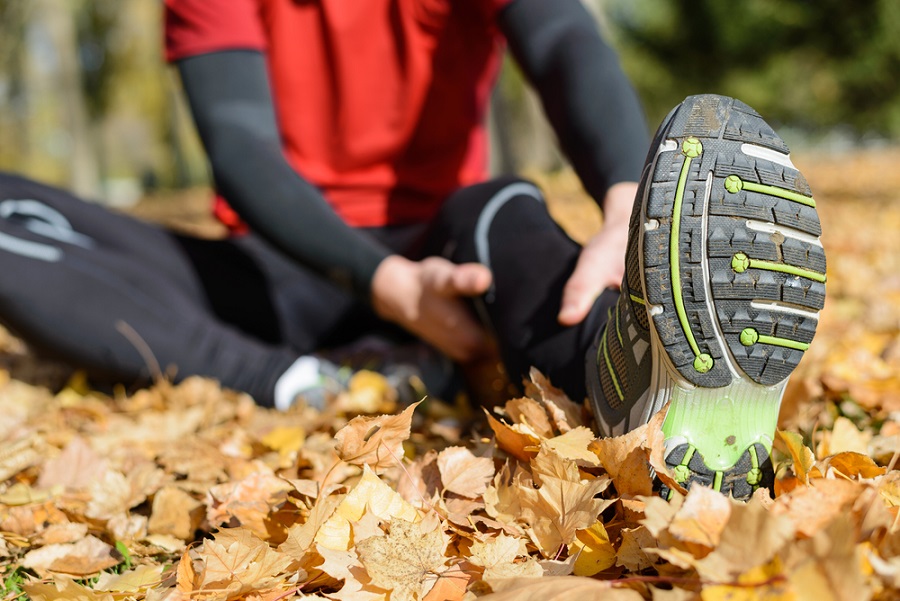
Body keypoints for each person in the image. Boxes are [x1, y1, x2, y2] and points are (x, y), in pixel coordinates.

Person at [0, 0, 825, 499]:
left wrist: (620, 206)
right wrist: (385, 282)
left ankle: (637, 384)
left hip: (453, 252)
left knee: (503, 205)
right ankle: (291, 379)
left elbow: (564, 40)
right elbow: (242, 148)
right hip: (286, 265)